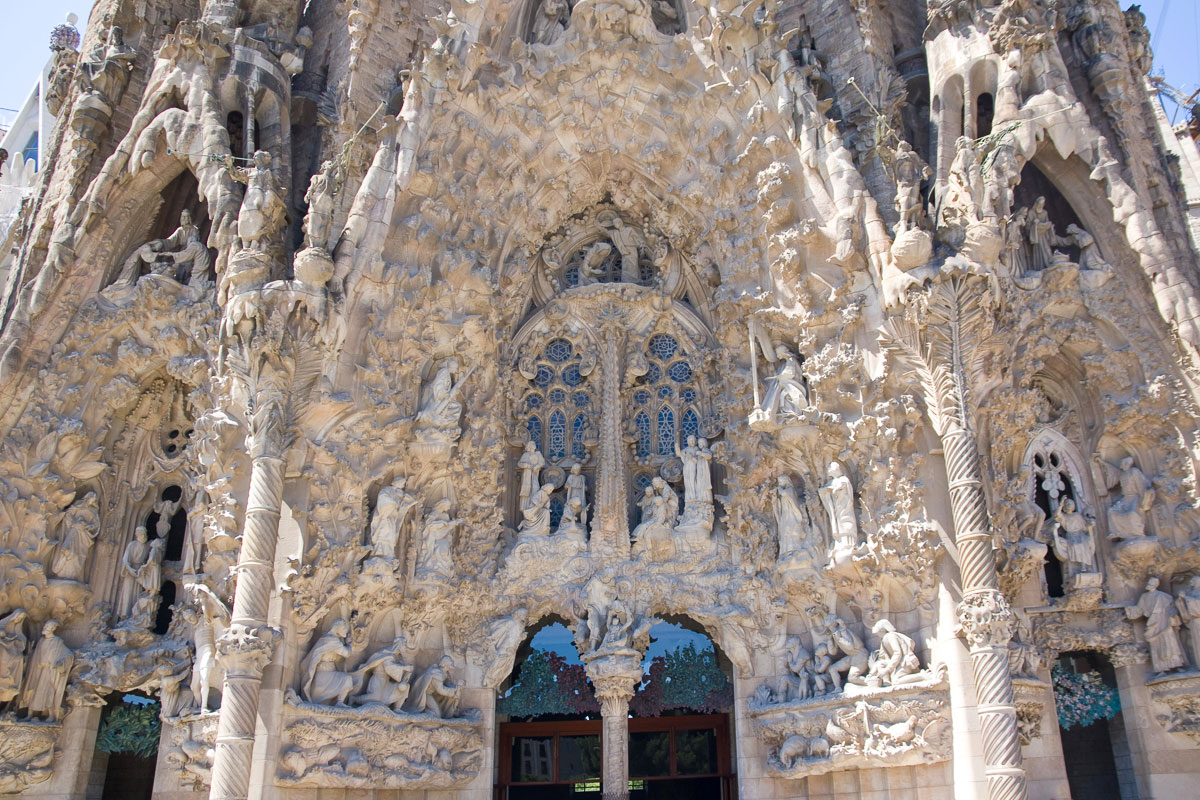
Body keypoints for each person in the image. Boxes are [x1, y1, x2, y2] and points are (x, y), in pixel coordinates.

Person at [1127, 577, 1186, 674]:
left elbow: (1172, 608)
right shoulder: (1144, 597)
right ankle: (1161, 668)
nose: (1149, 585)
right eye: (1149, 583)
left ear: (1155, 585)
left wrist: (1173, 615)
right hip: (1152, 623)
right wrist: (1129, 610)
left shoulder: (1164, 596)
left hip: (1164, 621)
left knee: (1170, 643)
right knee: (1156, 645)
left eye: (1151, 583)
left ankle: (1176, 665)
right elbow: (1140, 609)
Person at [21, 621, 73, 722]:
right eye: (45, 625)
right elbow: (36, 655)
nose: (45, 627)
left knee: (48, 692)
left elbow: (68, 655)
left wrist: (60, 663)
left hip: (49, 671)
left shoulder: (57, 641)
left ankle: (51, 715)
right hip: (38, 670)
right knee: (33, 691)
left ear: (53, 628)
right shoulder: (41, 641)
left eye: (48, 626)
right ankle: (30, 714)